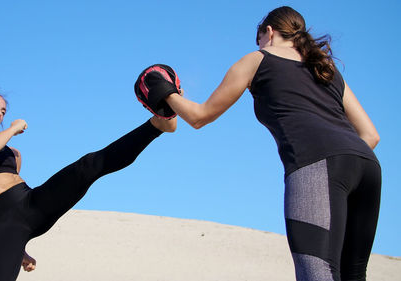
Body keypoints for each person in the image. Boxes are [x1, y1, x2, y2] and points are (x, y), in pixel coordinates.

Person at [151, 6, 381, 281]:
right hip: (368, 168)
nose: (258, 45)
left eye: (258, 39)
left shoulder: (257, 60)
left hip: (317, 163)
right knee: (353, 275)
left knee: (317, 273)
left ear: (268, 33)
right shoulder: (326, 68)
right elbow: (371, 135)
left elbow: (200, 116)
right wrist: (345, 159)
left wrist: (165, 92)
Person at [0, 89, 177, 281]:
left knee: (88, 166)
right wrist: (12, 128)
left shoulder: (13, 154)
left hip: (31, 204)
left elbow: (12, 192)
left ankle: (156, 126)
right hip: (0, 225)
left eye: (3, 110)